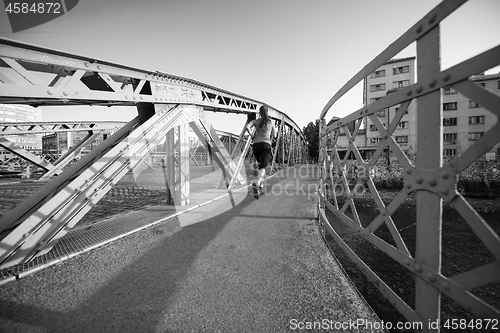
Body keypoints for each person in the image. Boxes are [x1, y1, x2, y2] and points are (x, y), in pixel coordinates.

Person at [245, 105, 275, 199]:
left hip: (256, 145)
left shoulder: (256, 121)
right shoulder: (271, 122)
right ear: (267, 112)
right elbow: (274, 135)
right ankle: (257, 183)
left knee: (260, 166)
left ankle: (260, 187)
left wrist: (251, 135)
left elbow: (247, 126)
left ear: (259, 112)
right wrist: (269, 138)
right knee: (263, 167)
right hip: (266, 145)